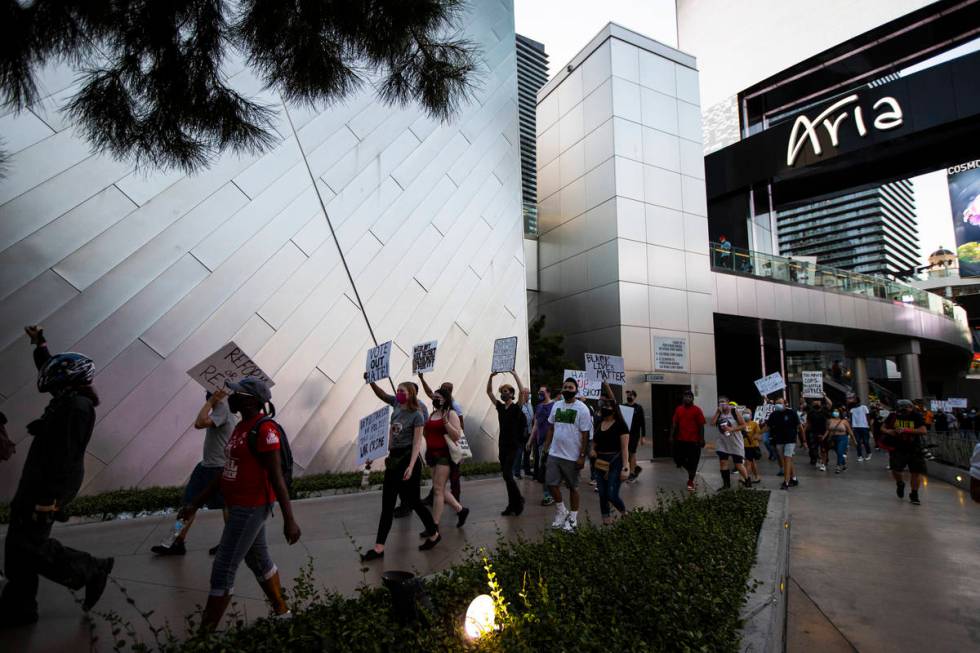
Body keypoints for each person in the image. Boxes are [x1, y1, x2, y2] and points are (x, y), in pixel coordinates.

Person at [0, 326, 114, 629]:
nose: (50, 378)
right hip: (36, 481)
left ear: (71, 379)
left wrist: (50, 500)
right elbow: (51, 369)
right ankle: (19, 607)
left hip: (48, 487)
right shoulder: (67, 396)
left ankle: (92, 569)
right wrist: (40, 344)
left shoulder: (77, 407)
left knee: (31, 545)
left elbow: (65, 457)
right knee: (17, 545)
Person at [178, 377, 300, 629]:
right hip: (238, 506)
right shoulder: (240, 427)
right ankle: (283, 613)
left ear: (250, 401)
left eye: (235, 394)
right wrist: (195, 503)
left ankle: (205, 635)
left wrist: (290, 520)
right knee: (258, 560)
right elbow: (227, 471)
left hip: (251, 506)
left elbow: (276, 478)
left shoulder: (264, 430)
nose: (230, 397)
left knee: (223, 566)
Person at [362, 377, 439, 561]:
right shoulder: (396, 409)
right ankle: (379, 548)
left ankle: (434, 533)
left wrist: (411, 466)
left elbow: (417, 443)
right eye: (397, 390)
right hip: (394, 461)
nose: (399, 394)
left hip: (407, 462)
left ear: (411, 394)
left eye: (402, 391)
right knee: (387, 505)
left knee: (414, 502)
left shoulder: (418, 414)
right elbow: (391, 437)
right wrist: (374, 454)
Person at [152, 390, 235, 556]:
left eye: (209, 391)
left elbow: (199, 423)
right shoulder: (220, 409)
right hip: (205, 466)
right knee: (188, 506)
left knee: (227, 507)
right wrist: (211, 403)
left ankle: (230, 545)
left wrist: (210, 402)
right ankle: (176, 541)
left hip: (218, 468)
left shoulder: (223, 409)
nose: (206, 393)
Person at [543, 377, 592, 532]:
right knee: (551, 483)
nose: (567, 389)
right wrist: (546, 447)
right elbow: (551, 428)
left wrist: (582, 455)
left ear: (576, 390)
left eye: (570, 387)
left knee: (573, 488)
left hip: (572, 456)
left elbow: (585, 434)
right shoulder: (556, 405)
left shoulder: (582, 408)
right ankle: (561, 510)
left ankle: (573, 518)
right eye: (565, 387)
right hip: (555, 453)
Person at [423, 387, 469, 533]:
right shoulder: (432, 414)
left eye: (438, 397)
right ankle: (460, 510)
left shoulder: (451, 413)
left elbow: (456, 436)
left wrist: (445, 422)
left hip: (444, 455)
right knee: (439, 488)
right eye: (434, 397)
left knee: (437, 490)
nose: (435, 399)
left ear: (445, 399)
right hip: (431, 455)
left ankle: (434, 526)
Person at [418, 374, 464, 507]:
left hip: (448, 448)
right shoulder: (435, 411)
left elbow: (459, 426)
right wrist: (422, 379)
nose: (440, 391)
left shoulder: (454, 407)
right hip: (434, 451)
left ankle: (456, 500)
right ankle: (441, 499)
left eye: (444, 389)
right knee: (439, 483)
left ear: (448, 392)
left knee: (453, 477)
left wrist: (461, 444)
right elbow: (429, 393)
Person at [486, 371, 527, 516]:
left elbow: (522, 391)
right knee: (506, 476)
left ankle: (519, 500)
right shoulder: (500, 407)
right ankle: (512, 504)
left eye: (505, 392)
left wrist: (514, 373)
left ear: (511, 393)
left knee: (508, 475)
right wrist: (491, 377)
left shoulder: (517, 408)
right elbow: (489, 392)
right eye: (502, 392)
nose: (503, 394)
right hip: (502, 445)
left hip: (513, 446)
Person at [591, 384, 630, 525]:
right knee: (602, 493)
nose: (605, 408)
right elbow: (595, 442)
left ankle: (625, 513)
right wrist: (593, 449)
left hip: (615, 461)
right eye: (603, 405)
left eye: (608, 406)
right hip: (600, 462)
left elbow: (625, 448)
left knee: (611, 494)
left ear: (614, 409)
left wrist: (626, 467)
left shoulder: (621, 425)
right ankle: (606, 518)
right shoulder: (599, 423)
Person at [880, 399, 927, 505]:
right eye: (901, 409)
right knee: (896, 470)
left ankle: (914, 494)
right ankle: (900, 483)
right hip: (897, 448)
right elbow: (882, 428)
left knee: (916, 472)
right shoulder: (893, 416)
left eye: (906, 408)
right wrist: (889, 431)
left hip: (914, 448)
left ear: (910, 407)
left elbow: (923, 430)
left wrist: (906, 430)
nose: (904, 411)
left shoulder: (916, 416)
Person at [710, 398, 750, 490]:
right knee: (723, 462)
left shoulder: (734, 412)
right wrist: (717, 412)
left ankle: (747, 479)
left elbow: (744, 425)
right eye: (720, 403)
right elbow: (712, 423)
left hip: (735, 441)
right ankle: (726, 484)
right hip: (723, 442)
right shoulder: (719, 413)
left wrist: (732, 429)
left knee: (738, 464)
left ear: (728, 403)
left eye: (724, 402)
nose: (722, 404)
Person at [671, 390, 706, 491]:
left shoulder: (697, 410)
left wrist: (702, 439)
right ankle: (691, 470)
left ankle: (690, 481)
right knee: (678, 459)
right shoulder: (679, 409)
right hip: (681, 440)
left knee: (693, 462)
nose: (687, 398)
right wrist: (671, 436)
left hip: (694, 441)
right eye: (685, 396)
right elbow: (674, 423)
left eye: (689, 397)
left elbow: (701, 426)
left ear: (692, 399)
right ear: (683, 398)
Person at [767, 397, 801, 490]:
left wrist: (803, 440)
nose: (778, 404)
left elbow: (799, 426)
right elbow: (768, 426)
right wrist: (758, 434)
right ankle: (794, 478)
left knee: (787, 459)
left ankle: (786, 482)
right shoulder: (773, 415)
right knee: (787, 460)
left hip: (790, 440)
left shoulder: (792, 413)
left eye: (780, 403)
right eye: (776, 403)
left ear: (785, 403)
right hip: (779, 440)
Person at [529, 385, 555, 505]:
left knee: (549, 469)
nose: (540, 393)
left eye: (542, 392)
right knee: (543, 469)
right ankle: (547, 495)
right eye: (539, 391)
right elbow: (536, 424)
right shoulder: (538, 406)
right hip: (540, 443)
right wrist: (530, 440)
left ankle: (551, 494)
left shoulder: (555, 406)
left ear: (548, 393)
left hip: (552, 443)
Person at [624, 389, 646, 482]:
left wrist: (643, 437)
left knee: (632, 452)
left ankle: (632, 472)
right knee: (626, 453)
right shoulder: (623, 406)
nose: (629, 396)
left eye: (631, 395)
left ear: (635, 397)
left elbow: (642, 423)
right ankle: (635, 468)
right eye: (628, 394)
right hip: (625, 433)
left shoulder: (638, 408)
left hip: (634, 434)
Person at [826, 407, 855, 473]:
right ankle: (844, 464)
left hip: (843, 438)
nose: (835, 413)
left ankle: (838, 466)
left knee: (839, 451)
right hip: (833, 438)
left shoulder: (844, 421)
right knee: (839, 453)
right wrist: (828, 438)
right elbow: (828, 430)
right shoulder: (830, 420)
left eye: (837, 411)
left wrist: (854, 440)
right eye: (834, 411)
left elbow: (850, 431)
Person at [513, 387, 533, 480]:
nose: (528, 395)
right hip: (521, 434)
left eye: (529, 393)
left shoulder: (530, 405)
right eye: (526, 393)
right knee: (519, 452)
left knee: (527, 452)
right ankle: (516, 472)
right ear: (522, 394)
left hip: (529, 432)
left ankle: (527, 470)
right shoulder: (518, 405)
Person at [805, 397, 830, 470]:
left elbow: (830, 404)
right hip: (813, 433)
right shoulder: (811, 412)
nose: (816, 402)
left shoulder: (824, 411)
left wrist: (825, 396)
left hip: (824, 432)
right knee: (813, 449)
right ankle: (818, 460)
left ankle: (824, 461)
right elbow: (808, 423)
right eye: (815, 401)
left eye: (818, 401)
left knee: (824, 449)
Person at [742, 408, 763, 484]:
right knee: (752, 463)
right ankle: (757, 477)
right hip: (744, 446)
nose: (746, 414)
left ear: (751, 415)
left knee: (748, 462)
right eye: (744, 413)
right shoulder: (741, 424)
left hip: (753, 446)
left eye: (748, 413)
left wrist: (753, 437)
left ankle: (746, 478)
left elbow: (759, 436)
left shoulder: (754, 424)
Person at [849, 397, 872, 462]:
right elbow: (851, 419)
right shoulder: (852, 410)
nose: (853, 401)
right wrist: (851, 427)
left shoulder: (864, 407)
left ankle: (869, 453)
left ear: (858, 401)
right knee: (858, 442)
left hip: (864, 427)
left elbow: (868, 417)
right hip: (855, 427)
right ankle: (859, 456)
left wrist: (869, 426)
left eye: (854, 400)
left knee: (866, 442)